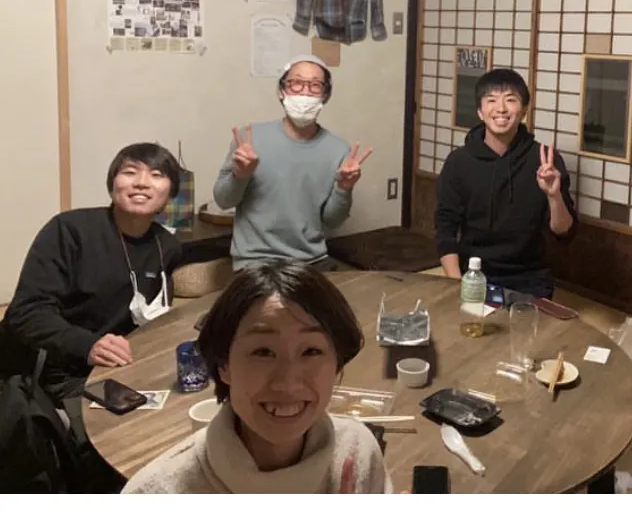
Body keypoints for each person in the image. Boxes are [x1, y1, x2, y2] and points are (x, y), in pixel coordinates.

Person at [122, 261, 392, 493]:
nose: (288, 382)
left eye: (311, 351)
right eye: (263, 352)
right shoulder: (156, 493)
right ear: (224, 365)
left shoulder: (356, 453)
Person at [0, 143, 183, 433]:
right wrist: (88, 345)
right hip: (59, 370)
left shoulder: (167, 246)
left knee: (181, 407)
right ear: (113, 184)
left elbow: (153, 316)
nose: (141, 182)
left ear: (171, 193)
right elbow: (27, 312)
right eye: (130, 172)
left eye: (156, 175)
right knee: (131, 431)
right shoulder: (70, 230)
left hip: (121, 366)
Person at [213, 55, 373, 271]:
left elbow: (333, 221)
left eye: (315, 85)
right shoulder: (249, 139)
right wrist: (240, 175)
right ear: (282, 91)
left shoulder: (338, 149)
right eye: (296, 83)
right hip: (256, 261)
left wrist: (344, 188)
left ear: (325, 95)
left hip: (312, 261)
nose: (305, 92)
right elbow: (223, 200)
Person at [434, 68, 578, 298]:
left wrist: (554, 195)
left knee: (529, 322)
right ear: (480, 112)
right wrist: (456, 284)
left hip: (530, 277)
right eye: (491, 100)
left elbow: (564, 233)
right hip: (474, 273)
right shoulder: (458, 162)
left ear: (524, 111)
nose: (501, 108)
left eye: (510, 100)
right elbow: (445, 230)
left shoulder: (545, 161)